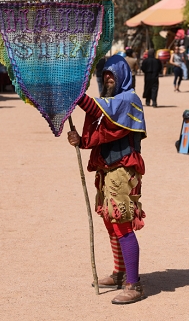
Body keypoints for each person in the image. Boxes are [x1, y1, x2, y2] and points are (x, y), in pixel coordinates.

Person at [67, 55, 147, 305]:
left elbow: (103, 115)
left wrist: (76, 94)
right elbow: (102, 134)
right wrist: (80, 141)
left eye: (112, 74)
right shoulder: (109, 103)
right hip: (106, 171)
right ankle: (119, 272)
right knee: (110, 223)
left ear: (123, 76)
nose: (107, 78)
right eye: (104, 76)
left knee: (122, 222)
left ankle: (134, 284)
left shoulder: (129, 100)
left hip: (123, 171)